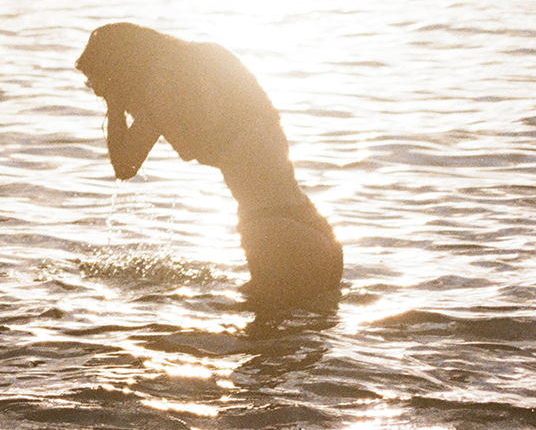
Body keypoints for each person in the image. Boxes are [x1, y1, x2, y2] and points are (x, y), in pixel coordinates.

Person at [76, 22, 342, 310]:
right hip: (313, 226)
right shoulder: (209, 58)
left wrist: (114, 104)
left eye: (102, 89)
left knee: (262, 351)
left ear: (121, 73)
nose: (104, 95)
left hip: (274, 235)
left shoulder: (162, 93)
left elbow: (124, 166)